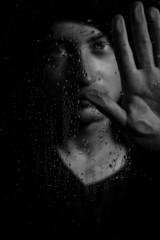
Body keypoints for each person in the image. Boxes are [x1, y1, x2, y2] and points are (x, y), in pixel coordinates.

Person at [1, 0, 160, 239]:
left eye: (99, 46)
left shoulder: (150, 168)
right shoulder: (14, 170)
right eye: (58, 52)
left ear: (125, 58)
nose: (84, 75)